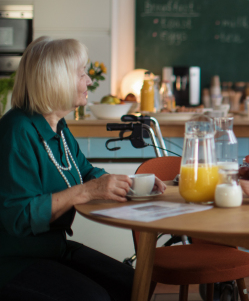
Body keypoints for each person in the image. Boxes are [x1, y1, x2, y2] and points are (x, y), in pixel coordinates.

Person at [0, 37, 167, 301]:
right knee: (95, 297)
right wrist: (85, 192)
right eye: (82, 74)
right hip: (15, 259)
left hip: (54, 249)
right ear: (58, 80)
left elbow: (86, 174)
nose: (89, 81)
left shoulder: (58, 127)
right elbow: (19, 217)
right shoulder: (17, 130)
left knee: (134, 283)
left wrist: (132, 183)